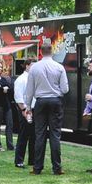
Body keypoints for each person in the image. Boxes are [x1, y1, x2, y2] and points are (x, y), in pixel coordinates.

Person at [24, 40, 68, 175]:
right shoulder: (59, 67)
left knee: (40, 135)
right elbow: (65, 89)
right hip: (55, 101)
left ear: (41, 52)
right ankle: (57, 168)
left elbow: (29, 90)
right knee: (55, 135)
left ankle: (37, 167)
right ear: (52, 51)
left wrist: (28, 106)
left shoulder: (35, 68)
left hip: (41, 101)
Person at [13, 60, 34, 169]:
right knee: (23, 135)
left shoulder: (34, 78)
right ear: (27, 66)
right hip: (25, 109)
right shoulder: (21, 79)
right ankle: (19, 160)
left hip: (34, 108)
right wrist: (24, 110)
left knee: (34, 135)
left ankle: (32, 159)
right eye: (32, 66)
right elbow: (18, 97)